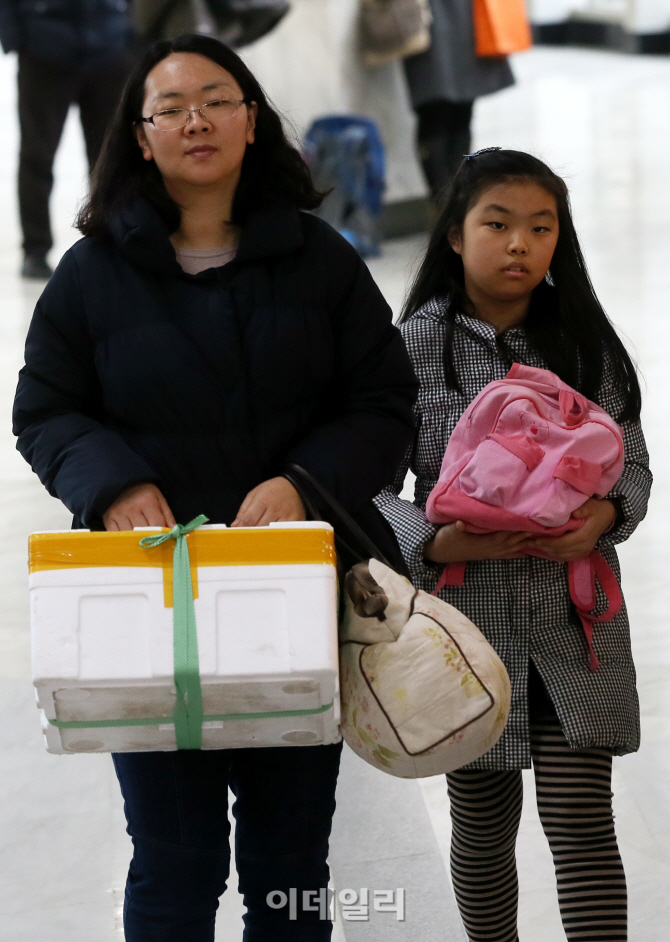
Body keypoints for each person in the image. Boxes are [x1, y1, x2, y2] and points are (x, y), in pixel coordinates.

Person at [12, 34, 418, 940]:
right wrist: (112, 485)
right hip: (150, 606)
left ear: (252, 120)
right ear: (141, 137)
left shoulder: (320, 260)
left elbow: (387, 401)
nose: (196, 118)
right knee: (172, 858)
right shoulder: (93, 274)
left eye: (217, 98)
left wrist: (304, 485)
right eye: (171, 107)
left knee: (290, 865)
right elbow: (44, 410)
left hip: (294, 598)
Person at [375, 148, 651, 942]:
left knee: (581, 820)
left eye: (541, 227)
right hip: (464, 628)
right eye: (497, 224)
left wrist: (604, 519)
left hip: (576, 627)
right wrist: (434, 538)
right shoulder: (411, 346)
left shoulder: (584, 340)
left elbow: (630, 460)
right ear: (455, 236)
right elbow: (369, 487)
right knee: (485, 824)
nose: (521, 244)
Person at [0, 0, 135, 280]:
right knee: (37, 156)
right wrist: (15, 38)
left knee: (110, 157)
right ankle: (35, 251)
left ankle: (114, 240)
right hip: (43, 51)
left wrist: (130, 33)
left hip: (109, 47)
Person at [403, 0, 514, 201]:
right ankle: (445, 205)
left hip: (467, 15)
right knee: (436, 108)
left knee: (462, 108)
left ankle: (459, 200)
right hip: (428, 16)